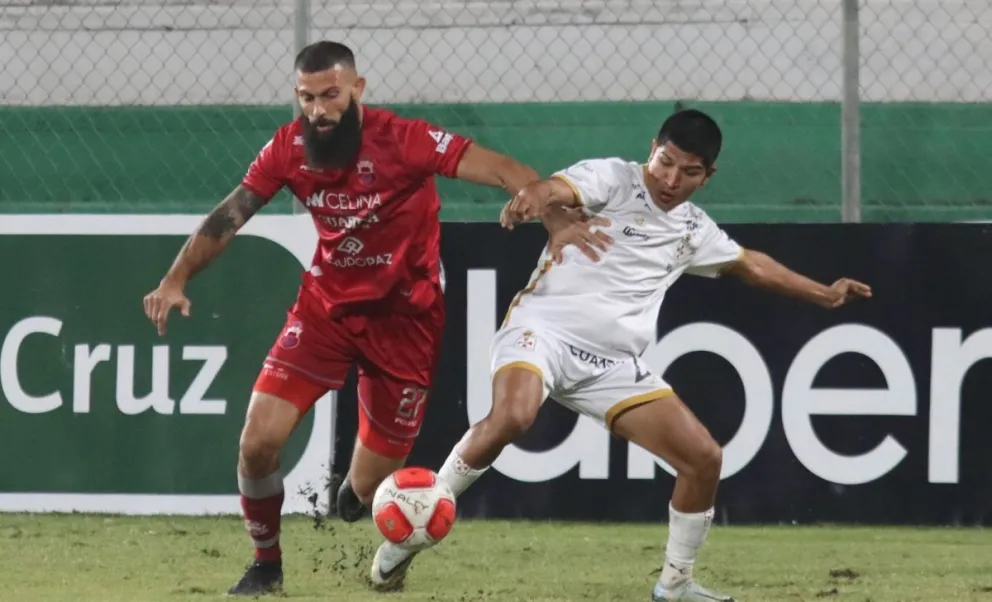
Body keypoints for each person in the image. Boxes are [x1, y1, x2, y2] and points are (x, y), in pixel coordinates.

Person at [141, 40, 607, 597]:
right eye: (306, 98)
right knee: (257, 442)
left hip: (405, 323)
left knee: (365, 490)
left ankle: (353, 495)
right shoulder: (288, 149)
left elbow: (504, 169)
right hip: (325, 312)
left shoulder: (405, 140)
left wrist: (553, 217)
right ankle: (266, 564)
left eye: (330, 95)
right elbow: (230, 214)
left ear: (357, 90)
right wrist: (176, 278)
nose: (318, 110)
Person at [369, 109, 872, 601]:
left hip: (612, 367)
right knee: (513, 416)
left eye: (689, 171)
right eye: (665, 162)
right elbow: (557, 188)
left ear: (708, 176)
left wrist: (824, 295)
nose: (671, 178)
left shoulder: (693, 230)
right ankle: (414, 528)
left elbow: (752, 266)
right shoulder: (613, 178)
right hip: (542, 331)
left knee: (704, 459)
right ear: (651, 150)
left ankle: (675, 585)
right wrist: (535, 198)